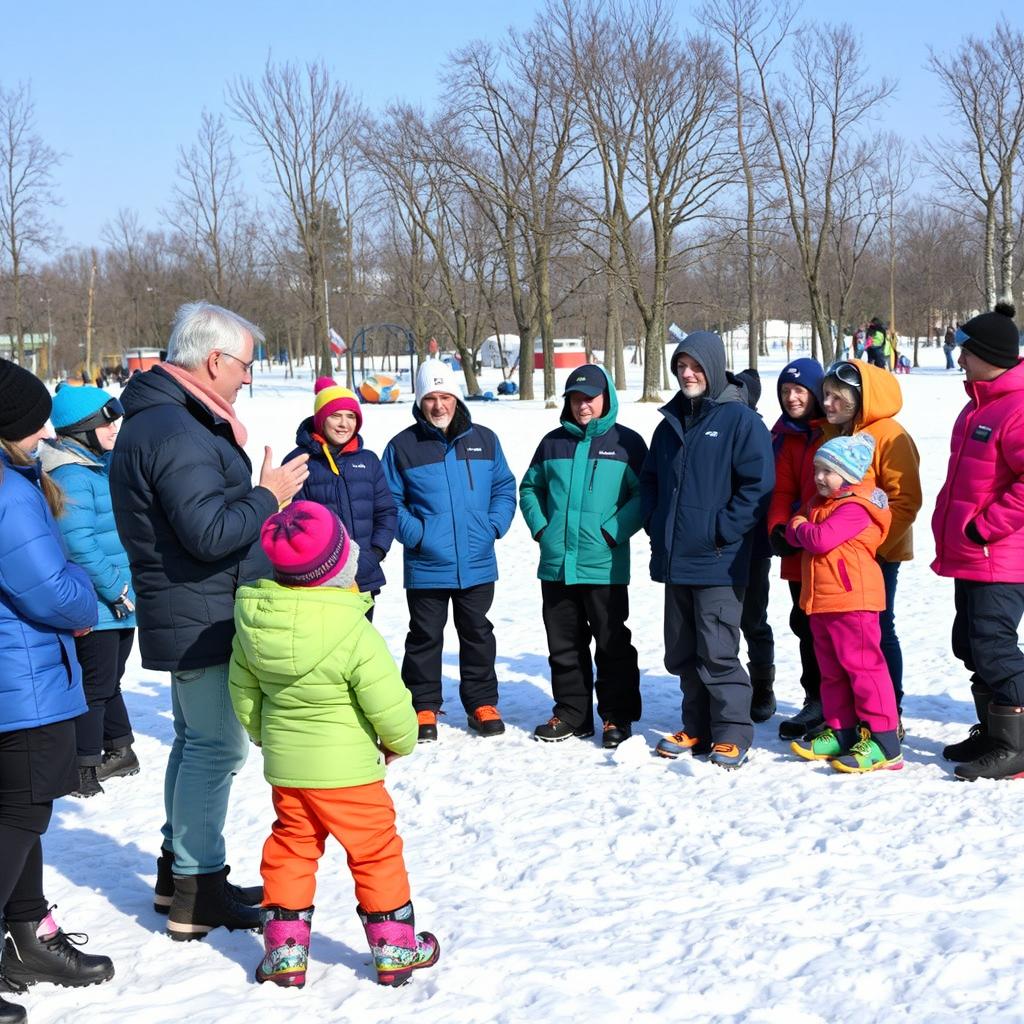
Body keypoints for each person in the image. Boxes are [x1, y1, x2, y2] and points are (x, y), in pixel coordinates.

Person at [109, 301, 310, 940]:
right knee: (217, 747)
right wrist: (266, 495)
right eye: (246, 366)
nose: (248, 379)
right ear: (215, 359)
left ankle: (180, 876)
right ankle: (200, 888)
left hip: (191, 607)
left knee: (196, 742)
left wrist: (249, 494)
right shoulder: (174, 429)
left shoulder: (168, 419)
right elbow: (209, 531)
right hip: (201, 612)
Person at [229, 502, 440, 988]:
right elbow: (388, 701)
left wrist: (264, 734)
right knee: (375, 852)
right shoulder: (352, 629)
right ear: (337, 564)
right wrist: (400, 740)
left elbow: (243, 692)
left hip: (290, 770)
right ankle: (395, 950)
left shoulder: (255, 625)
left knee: (290, 848)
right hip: (351, 774)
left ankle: (285, 956)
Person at [0, 359, 115, 1021]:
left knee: (25, 808)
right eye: (36, 420)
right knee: (20, 813)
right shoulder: (10, 494)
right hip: (23, 682)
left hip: (20, 680)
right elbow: (55, 594)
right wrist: (81, 589)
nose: (48, 432)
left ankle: (27, 939)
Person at [640, 331, 774, 769]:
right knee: (681, 650)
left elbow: (758, 487)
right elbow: (651, 484)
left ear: (714, 368)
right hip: (676, 560)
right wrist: (656, 525)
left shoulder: (740, 422)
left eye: (695, 366)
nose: (687, 374)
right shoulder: (669, 424)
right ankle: (695, 726)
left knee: (717, 650)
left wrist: (722, 530)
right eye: (681, 367)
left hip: (719, 560)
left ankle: (732, 731)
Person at [382, 359, 517, 742]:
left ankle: (481, 703)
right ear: (420, 402)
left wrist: (492, 526)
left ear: (456, 398)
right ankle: (423, 704)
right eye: (430, 398)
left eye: (445, 396)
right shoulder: (402, 446)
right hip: (427, 563)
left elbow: (504, 487)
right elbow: (390, 501)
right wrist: (418, 536)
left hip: (476, 560)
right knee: (425, 635)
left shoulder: (485, 439)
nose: (438, 406)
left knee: (477, 633)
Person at [519, 364, 648, 748]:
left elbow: (643, 496)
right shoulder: (551, 443)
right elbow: (529, 489)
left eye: (589, 397)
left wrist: (612, 530)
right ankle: (572, 713)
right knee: (564, 643)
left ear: (606, 396)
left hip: (603, 564)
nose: (582, 406)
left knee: (612, 643)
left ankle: (616, 715)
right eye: (575, 399)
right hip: (557, 564)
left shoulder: (628, 443)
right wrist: (542, 528)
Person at [932, 303, 1024, 781]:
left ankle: (1017, 747)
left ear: (989, 354)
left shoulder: (1017, 405)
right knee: (970, 644)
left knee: (994, 647)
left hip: (1000, 555)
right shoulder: (977, 406)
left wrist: (984, 526)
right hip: (972, 554)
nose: (959, 358)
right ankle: (994, 733)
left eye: (965, 350)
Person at [39, 387, 138, 800]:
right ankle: (84, 767)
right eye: (105, 423)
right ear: (82, 431)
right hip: (100, 602)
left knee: (107, 681)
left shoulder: (97, 466)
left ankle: (120, 750)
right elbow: (78, 542)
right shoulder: (72, 475)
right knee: (93, 687)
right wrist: (116, 587)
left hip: (120, 600)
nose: (114, 429)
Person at [786, 434, 903, 772]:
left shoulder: (856, 507)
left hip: (854, 600)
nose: (820, 478)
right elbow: (803, 524)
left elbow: (820, 539)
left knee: (864, 669)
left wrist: (798, 525)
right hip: (823, 600)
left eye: (828, 471)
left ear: (849, 473)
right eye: (817, 470)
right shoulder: (821, 503)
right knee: (832, 671)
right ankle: (843, 730)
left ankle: (884, 740)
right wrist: (800, 523)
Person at [821, 359, 921, 728]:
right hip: (838, 555)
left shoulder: (889, 434)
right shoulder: (834, 432)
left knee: (878, 630)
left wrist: (871, 546)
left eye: (837, 397)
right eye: (826, 395)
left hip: (877, 554)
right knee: (845, 639)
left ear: (860, 399)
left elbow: (905, 499)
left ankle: (887, 714)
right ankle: (850, 714)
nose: (827, 403)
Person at [284, 377, 396, 620]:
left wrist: (375, 553)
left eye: (351, 416)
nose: (345, 424)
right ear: (321, 419)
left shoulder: (368, 460)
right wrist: (319, 568)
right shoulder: (300, 462)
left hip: (364, 575)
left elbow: (386, 512)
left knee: (361, 650)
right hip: (319, 583)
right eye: (336, 416)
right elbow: (290, 525)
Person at [767, 359, 827, 740]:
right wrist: (776, 524)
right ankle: (815, 699)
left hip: (829, 547)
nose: (792, 398)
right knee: (804, 623)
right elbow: (783, 489)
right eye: (786, 391)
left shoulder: (832, 431)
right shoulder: (785, 435)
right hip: (796, 547)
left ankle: (845, 704)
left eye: (800, 391)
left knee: (832, 628)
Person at [735, 368, 777, 723]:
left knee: (753, 617)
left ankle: (763, 685)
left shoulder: (756, 430)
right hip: (716, 545)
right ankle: (729, 686)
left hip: (753, 546)